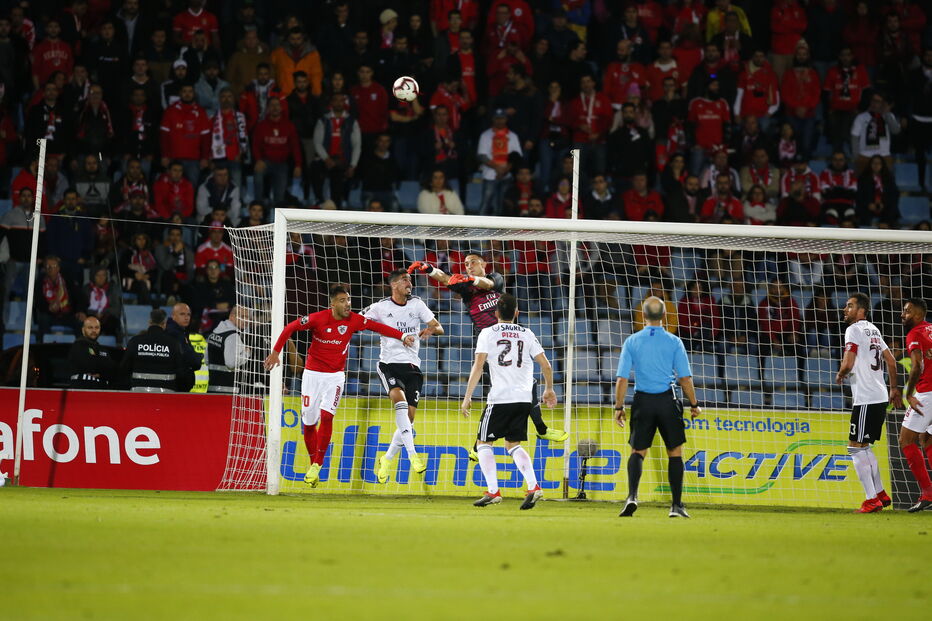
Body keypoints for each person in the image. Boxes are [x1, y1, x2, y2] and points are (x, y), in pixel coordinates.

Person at [263, 285, 417, 488]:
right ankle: (313, 464)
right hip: (312, 375)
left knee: (327, 416)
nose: (348, 304)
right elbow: (290, 327)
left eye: (349, 300)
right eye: (343, 300)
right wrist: (276, 352)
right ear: (333, 303)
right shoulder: (318, 318)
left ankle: (318, 464)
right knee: (309, 423)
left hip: (335, 377)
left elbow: (378, 327)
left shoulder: (353, 320)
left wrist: (402, 336)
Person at [408, 252, 566, 446]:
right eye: (465, 264)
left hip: (511, 340)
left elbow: (487, 284)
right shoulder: (467, 290)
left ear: (483, 263)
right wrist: (429, 269)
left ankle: (526, 433)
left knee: (521, 387)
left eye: (473, 262)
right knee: (503, 392)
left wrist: (471, 278)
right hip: (489, 347)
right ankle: (537, 431)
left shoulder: (495, 278)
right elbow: (446, 278)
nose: (469, 266)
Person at [461, 293, 557, 509]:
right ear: (517, 312)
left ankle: (493, 491)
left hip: (500, 398)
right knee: (513, 444)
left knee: (483, 443)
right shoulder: (527, 333)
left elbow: (478, 366)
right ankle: (533, 487)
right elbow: (546, 366)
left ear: (495, 313)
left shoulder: (487, 333)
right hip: (524, 399)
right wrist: (549, 389)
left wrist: (467, 397)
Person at [614, 296, 701, 518]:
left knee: (638, 451)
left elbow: (622, 379)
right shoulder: (674, 342)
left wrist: (618, 407)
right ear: (665, 315)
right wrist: (694, 404)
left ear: (643, 316)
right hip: (666, 401)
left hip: (643, 400)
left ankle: (632, 496)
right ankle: (676, 506)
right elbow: (684, 378)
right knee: (675, 452)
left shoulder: (632, 341)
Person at [364, 270, 444, 483]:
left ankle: (387, 459)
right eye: (405, 280)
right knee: (399, 403)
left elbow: (439, 327)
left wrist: (431, 330)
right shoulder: (380, 307)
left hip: (413, 367)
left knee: (407, 420)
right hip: (389, 364)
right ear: (394, 285)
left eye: (410, 280)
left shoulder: (417, 304)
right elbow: (358, 321)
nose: (410, 283)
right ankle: (413, 456)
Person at [835, 293, 901, 513]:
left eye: (850, 306)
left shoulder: (853, 330)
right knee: (864, 447)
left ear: (861, 310)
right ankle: (880, 493)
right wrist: (893, 389)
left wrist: (841, 373)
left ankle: (871, 499)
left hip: (865, 397)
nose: (845, 309)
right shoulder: (874, 329)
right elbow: (891, 361)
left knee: (854, 448)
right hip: (880, 395)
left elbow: (849, 359)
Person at [899, 298, 932, 512]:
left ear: (918, 315)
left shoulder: (915, 333)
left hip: (927, 393)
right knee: (927, 438)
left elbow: (916, 366)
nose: (903, 315)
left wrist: (909, 394)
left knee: (905, 440)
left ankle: (928, 493)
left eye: (907, 311)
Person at [120, 308, 188, 392]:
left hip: (138, 393)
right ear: (164, 323)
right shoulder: (173, 343)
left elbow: (124, 369)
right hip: (166, 393)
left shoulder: (135, 341)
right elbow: (181, 372)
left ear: (149, 322)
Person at [206, 305, 249, 394]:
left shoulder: (214, 333)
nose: (246, 321)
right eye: (242, 317)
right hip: (228, 391)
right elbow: (230, 363)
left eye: (248, 317)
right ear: (232, 316)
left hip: (211, 388)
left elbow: (206, 360)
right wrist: (246, 353)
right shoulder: (233, 336)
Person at [67, 316, 116, 389]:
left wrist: (101, 373)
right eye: (90, 327)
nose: (94, 330)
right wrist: (103, 370)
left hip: (101, 389)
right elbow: (89, 365)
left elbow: (112, 369)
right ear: (83, 330)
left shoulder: (102, 349)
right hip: (82, 388)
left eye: (97, 328)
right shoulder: (78, 345)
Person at [166, 302, 204, 393]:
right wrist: (199, 356)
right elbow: (191, 359)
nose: (186, 317)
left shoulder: (181, 332)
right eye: (182, 314)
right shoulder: (175, 334)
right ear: (173, 316)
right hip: (177, 384)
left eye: (188, 314)